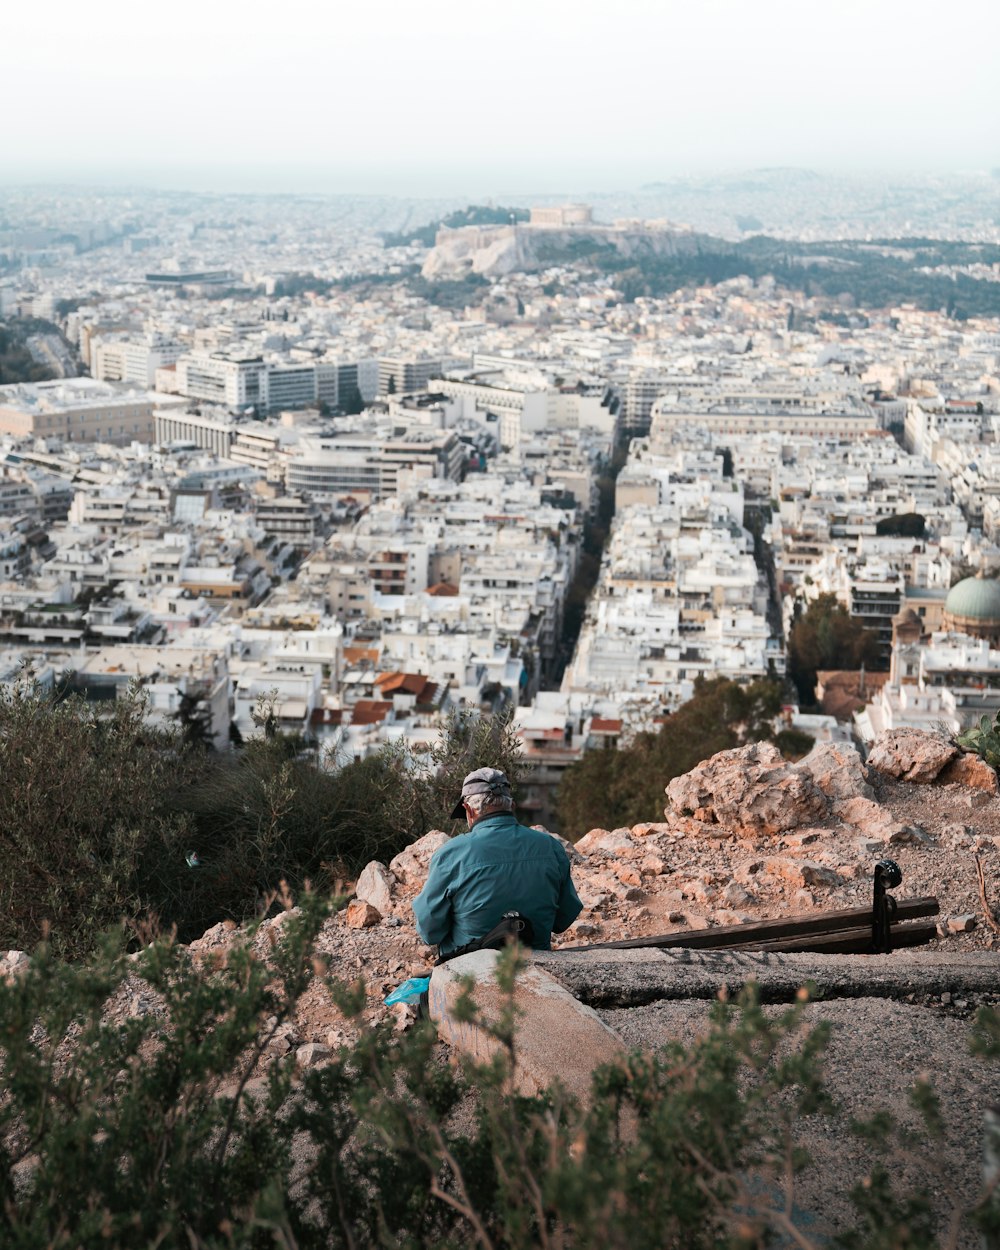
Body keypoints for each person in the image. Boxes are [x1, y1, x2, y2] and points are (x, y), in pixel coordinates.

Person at [412, 767, 583, 959]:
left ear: (468, 810)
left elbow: (429, 932)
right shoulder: (551, 847)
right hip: (536, 970)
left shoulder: (450, 854)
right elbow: (563, 920)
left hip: (470, 974)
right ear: (512, 806)